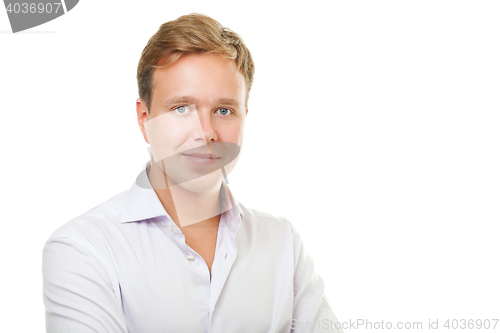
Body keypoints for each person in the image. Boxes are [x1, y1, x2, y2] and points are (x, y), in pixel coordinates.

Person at [42, 13, 343, 333]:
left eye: (224, 110)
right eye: (182, 108)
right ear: (144, 118)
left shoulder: (283, 244)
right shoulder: (84, 248)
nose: (206, 132)